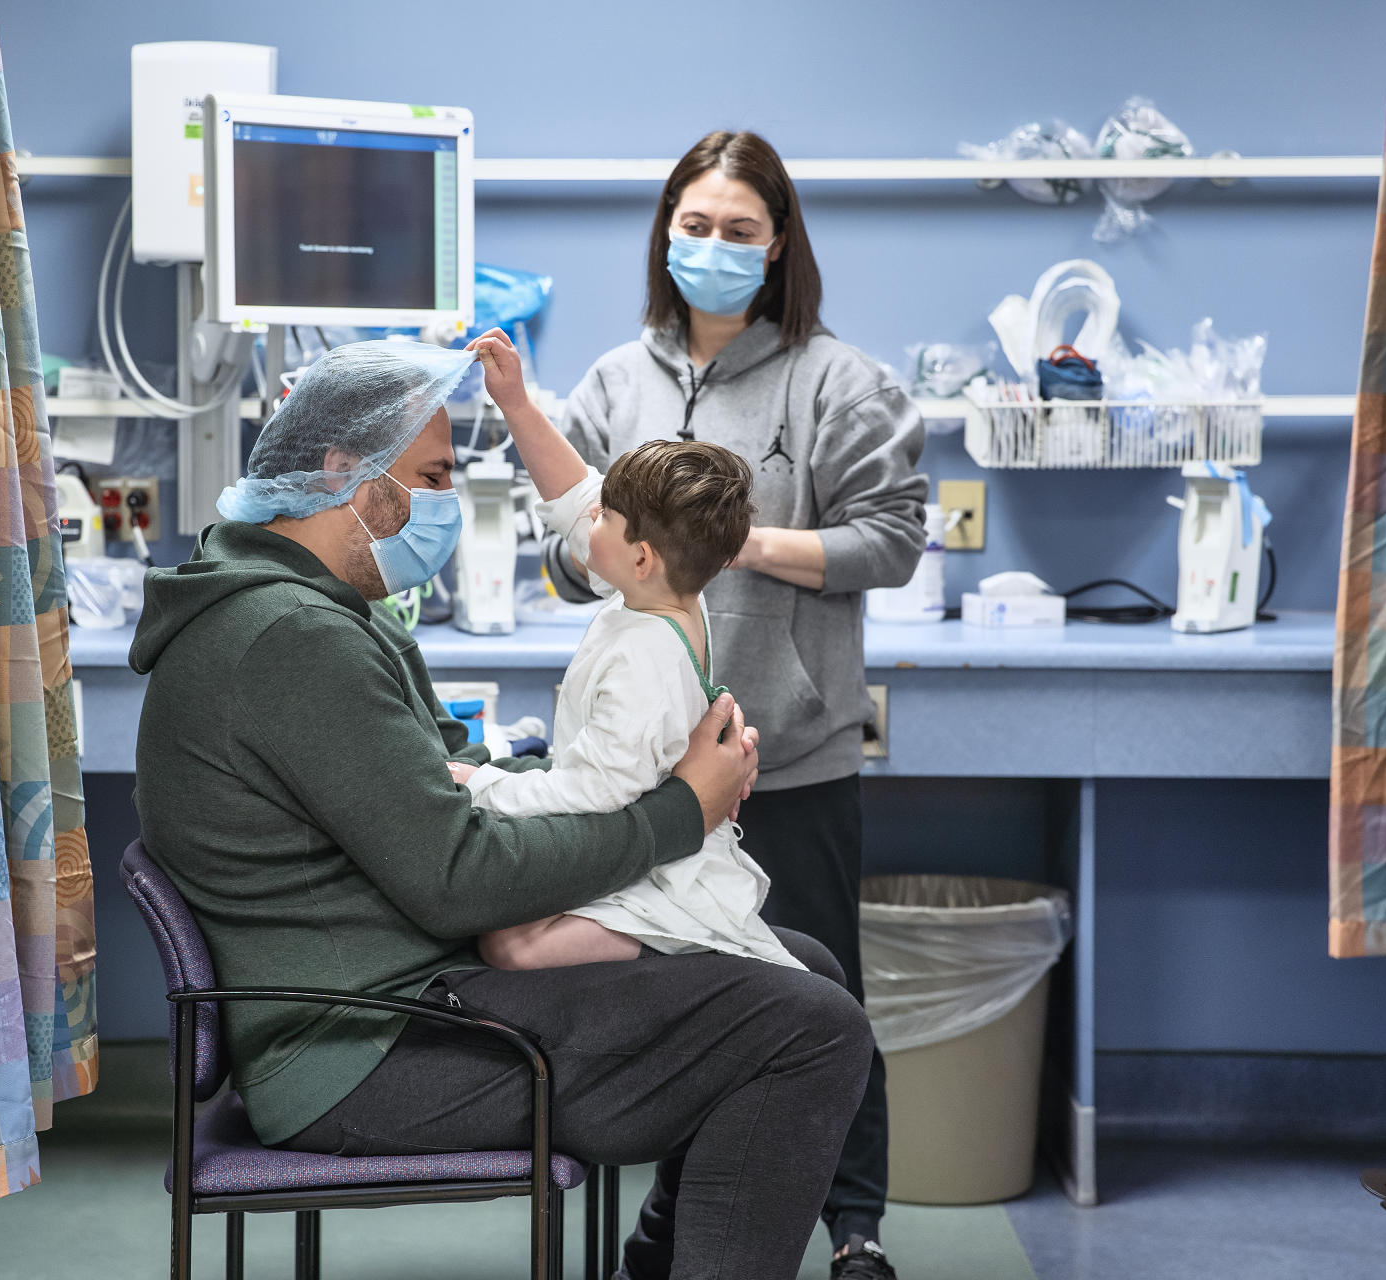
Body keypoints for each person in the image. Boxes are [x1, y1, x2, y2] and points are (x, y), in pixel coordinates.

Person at [131, 339, 876, 1280]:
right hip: (364, 1047)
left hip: (396, 993)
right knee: (812, 1025)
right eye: (433, 476)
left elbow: (438, 767)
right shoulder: (290, 639)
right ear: (346, 476)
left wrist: (553, 767)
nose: (448, 501)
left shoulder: (326, 609)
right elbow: (457, 882)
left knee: (792, 965)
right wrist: (682, 811)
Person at [540, 130, 928, 1279]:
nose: (713, 246)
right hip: (653, 778)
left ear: (779, 243)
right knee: (689, 1009)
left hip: (789, 758)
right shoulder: (614, 382)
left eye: (739, 230)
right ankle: (680, 1227)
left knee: (819, 998)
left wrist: (732, 538)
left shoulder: (842, 382)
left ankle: (856, 1229)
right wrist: (593, 545)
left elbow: (894, 540)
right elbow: (568, 554)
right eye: (695, 225)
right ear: (668, 233)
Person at [455, 329, 799, 973]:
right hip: (653, 822)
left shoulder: (643, 655)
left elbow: (593, 791)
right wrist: (517, 405)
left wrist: (485, 787)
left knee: (510, 945)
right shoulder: (668, 595)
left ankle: (681, 950)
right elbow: (574, 494)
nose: (590, 518)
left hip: (662, 869)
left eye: (605, 515)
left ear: (640, 556)